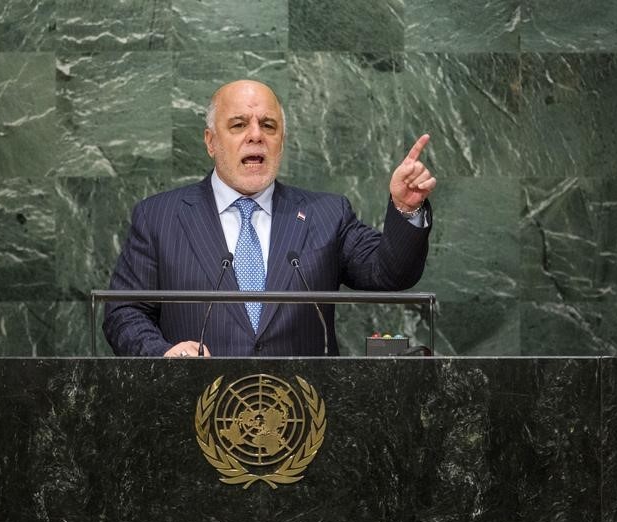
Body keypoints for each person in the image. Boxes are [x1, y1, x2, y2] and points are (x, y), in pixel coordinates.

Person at [103, 80, 436, 357]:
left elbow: (390, 273)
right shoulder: (159, 217)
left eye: (268, 125)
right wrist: (162, 353)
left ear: (281, 142)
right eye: (238, 125)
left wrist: (406, 207)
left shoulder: (327, 215)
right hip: (196, 413)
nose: (255, 135)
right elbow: (124, 312)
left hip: (302, 420)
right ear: (210, 142)